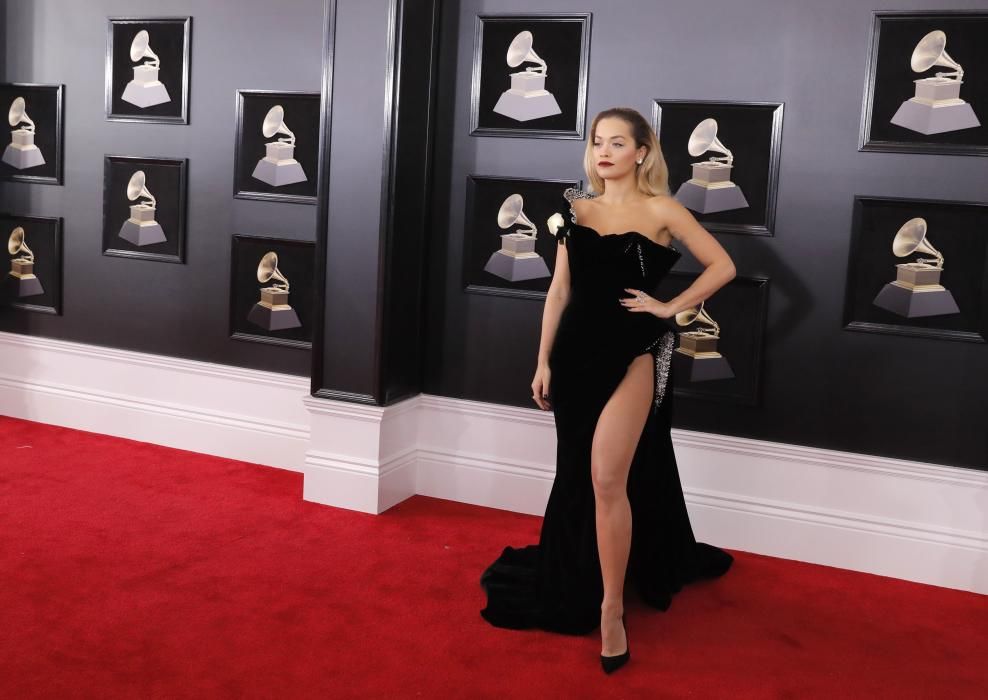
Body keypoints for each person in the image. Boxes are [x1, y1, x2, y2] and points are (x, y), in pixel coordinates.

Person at [479, 107, 737, 673]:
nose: (604, 151)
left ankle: (612, 609)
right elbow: (558, 292)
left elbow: (723, 266)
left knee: (605, 477)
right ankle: (582, 576)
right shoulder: (577, 209)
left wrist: (668, 307)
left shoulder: (663, 209)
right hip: (573, 355)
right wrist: (542, 360)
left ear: (641, 151)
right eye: (598, 142)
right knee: (577, 474)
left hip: (633, 351)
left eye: (617, 142)